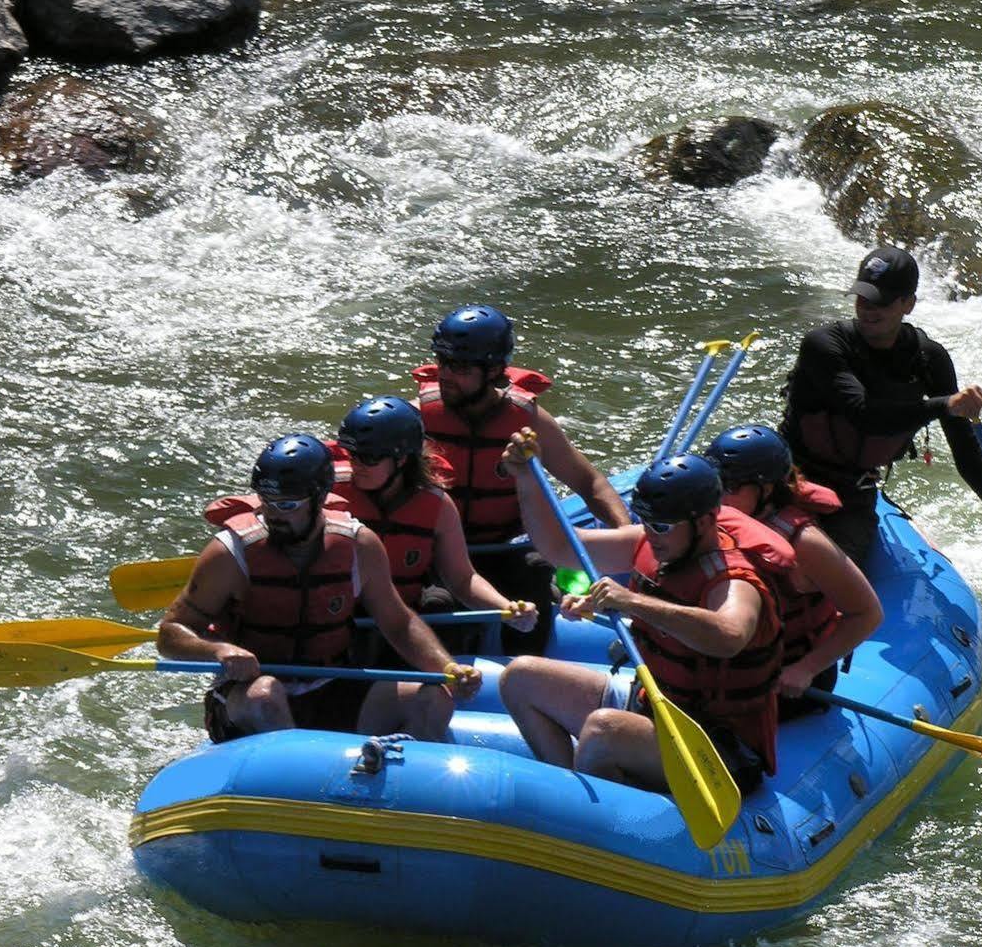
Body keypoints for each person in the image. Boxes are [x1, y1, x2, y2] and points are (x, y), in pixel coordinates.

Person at [497, 440, 781, 794]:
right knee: (521, 677)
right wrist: (526, 477)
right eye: (646, 521)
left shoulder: (735, 580)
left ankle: (594, 817)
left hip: (718, 746)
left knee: (603, 730)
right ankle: (569, 799)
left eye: (662, 525)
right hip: (652, 706)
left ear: (706, 520)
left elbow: (729, 635)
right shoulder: (653, 543)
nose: (650, 533)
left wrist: (631, 602)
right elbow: (558, 546)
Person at [159, 434, 480, 742]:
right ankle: (292, 786)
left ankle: (404, 790)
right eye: (267, 501)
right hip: (250, 691)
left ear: (319, 499)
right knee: (265, 695)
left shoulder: (359, 545)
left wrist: (446, 667)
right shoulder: (230, 553)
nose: (273, 514)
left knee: (433, 698)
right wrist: (218, 650)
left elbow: (399, 622)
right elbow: (171, 632)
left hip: (332, 687)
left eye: (287, 506)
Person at [778, 245, 982, 567]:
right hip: (793, 476)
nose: (868, 309)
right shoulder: (825, 345)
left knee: (827, 580)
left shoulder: (928, 359)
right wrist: (944, 405)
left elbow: (966, 451)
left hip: (852, 493)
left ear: (909, 304)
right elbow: (864, 415)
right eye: (863, 297)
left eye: (882, 301)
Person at [411, 304, 630, 652]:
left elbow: (590, 483)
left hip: (502, 547)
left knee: (534, 569)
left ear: (495, 369)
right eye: (442, 362)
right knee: (434, 604)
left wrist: (625, 541)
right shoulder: (417, 418)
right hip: (439, 553)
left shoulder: (527, 421)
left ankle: (523, 676)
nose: (446, 375)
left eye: (460, 367)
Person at [330, 395, 538, 650]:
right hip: (340, 613)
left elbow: (462, 579)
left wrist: (505, 607)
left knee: (440, 603)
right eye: (352, 454)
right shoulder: (328, 491)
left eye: (368, 458)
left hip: (403, 615)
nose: (356, 464)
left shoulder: (437, 505)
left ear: (402, 459)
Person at [703, 425, 884, 715]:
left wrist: (806, 669)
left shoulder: (805, 543)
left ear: (766, 489)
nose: (719, 495)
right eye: (715, 483)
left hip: (788, 678)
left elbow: (868, 613)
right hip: (730, 666)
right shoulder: (712, 520)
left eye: (731, 486)